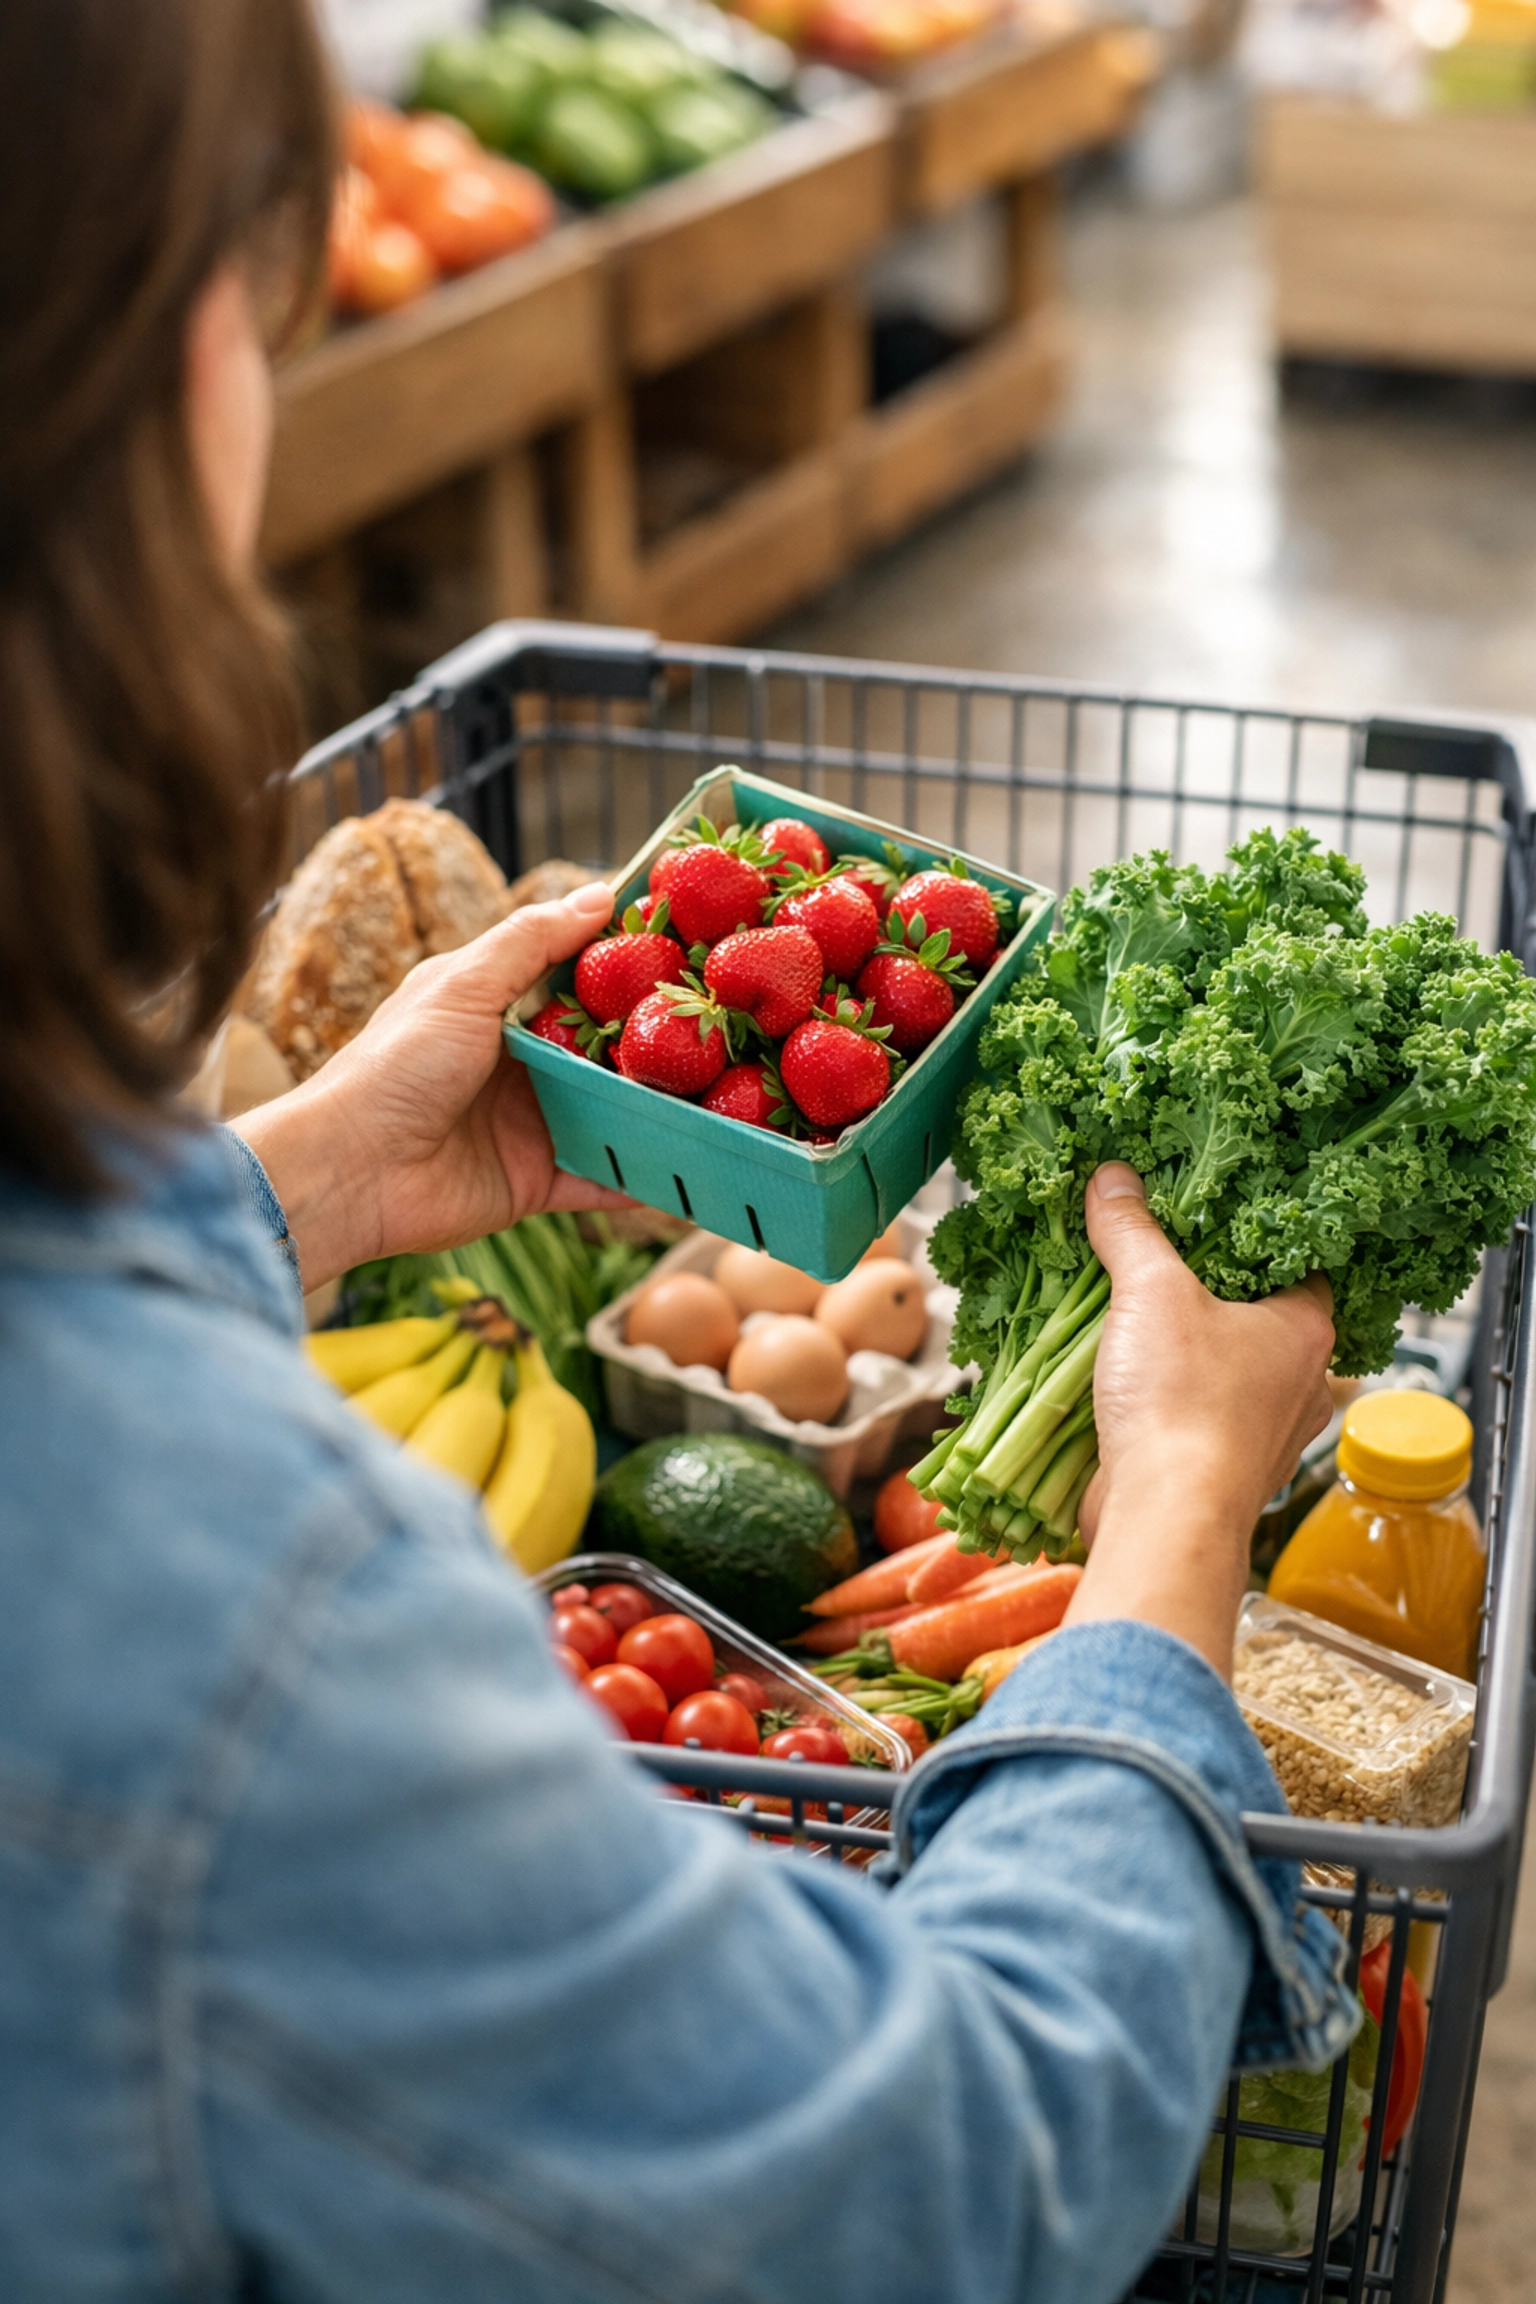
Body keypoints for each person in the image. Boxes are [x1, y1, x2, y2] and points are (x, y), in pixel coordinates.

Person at [0, 4, 1355, 2299]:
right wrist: (1175, 1517)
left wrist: (302, 1182)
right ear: (152, 383)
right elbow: (947, 2188)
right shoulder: (235, 1609)